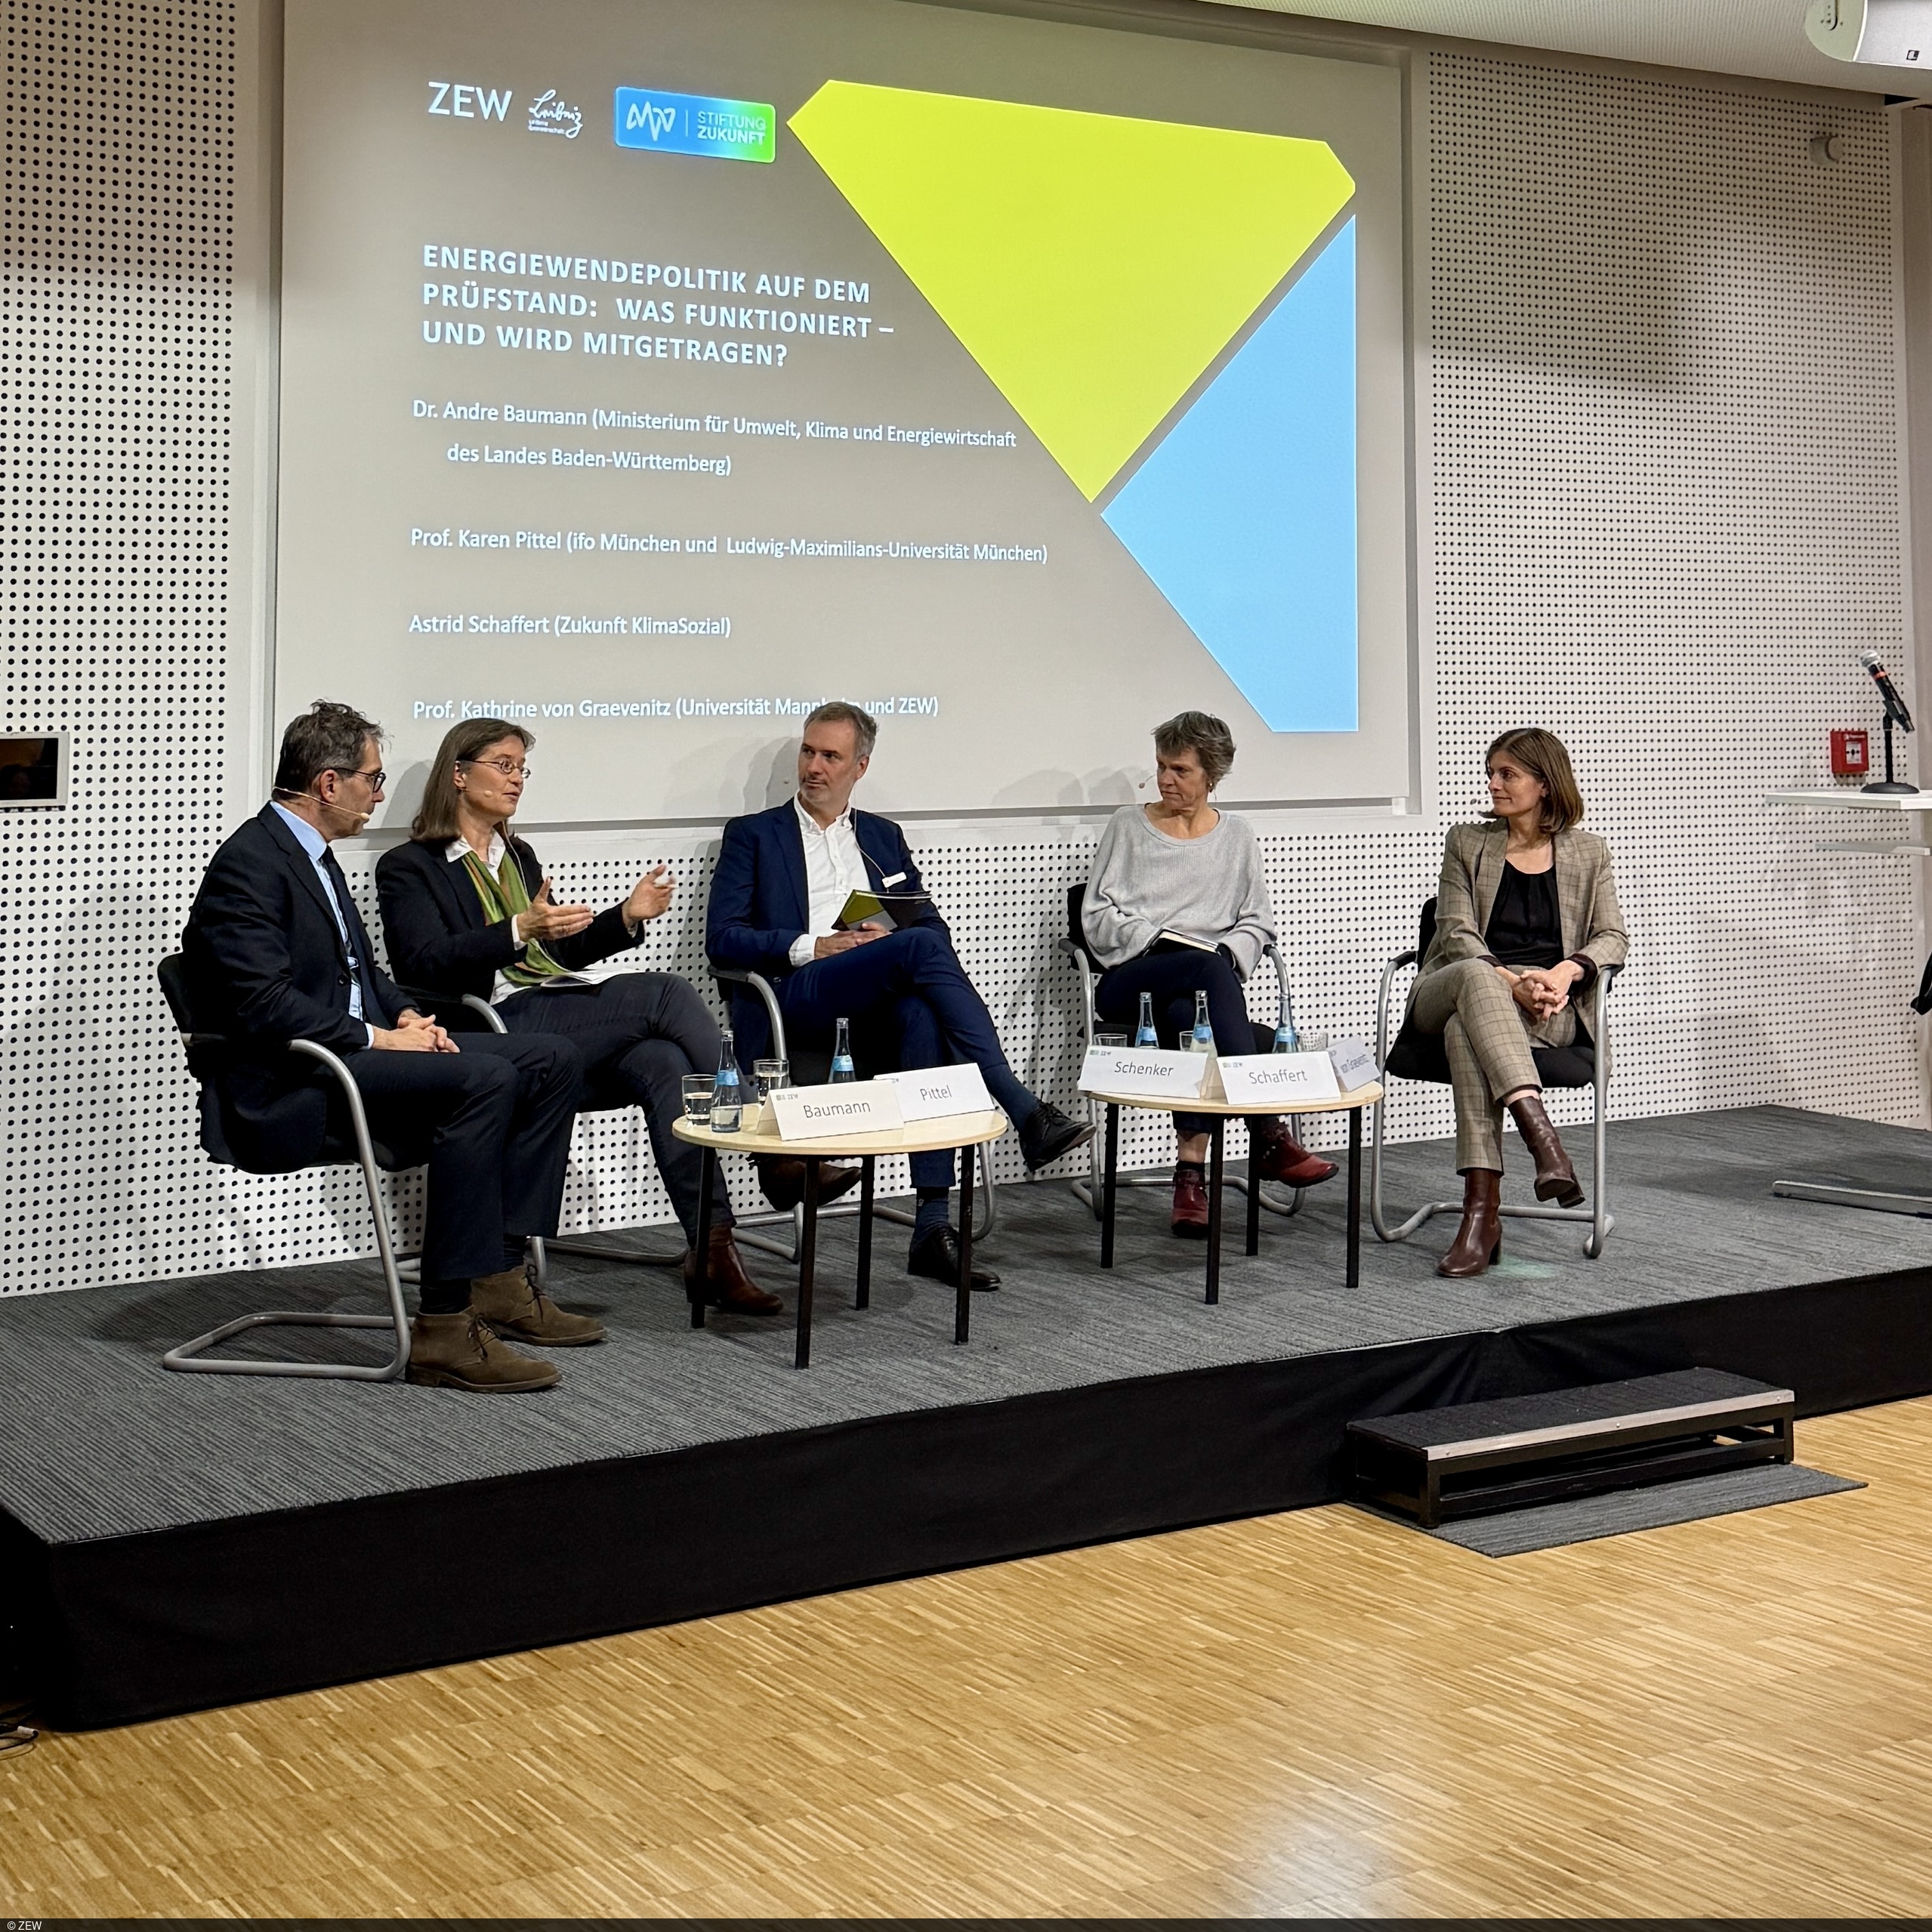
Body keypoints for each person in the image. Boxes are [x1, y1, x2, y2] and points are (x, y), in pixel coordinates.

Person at [182, 702, 597, 1393]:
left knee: (551, 1058)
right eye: (372, 780)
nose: (379, 795)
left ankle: (498, 1277)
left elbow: (360, 971)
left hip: (353, 1053)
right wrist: (382, 1036)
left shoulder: (314, 856)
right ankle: (444, 1325)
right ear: (328, 784)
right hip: (296, 1078)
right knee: (487, 1078)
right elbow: (264, 1006)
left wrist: (406, 1014)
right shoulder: (250, 864)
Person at [376, 717, 786, 1317]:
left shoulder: (517, 855)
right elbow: (423, 965)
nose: (517, 780)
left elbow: (552, 957)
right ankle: (771, 1152)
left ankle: (713, 1248)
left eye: (522, 769)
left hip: (550, 1012)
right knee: (667, 995)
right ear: (459, 775)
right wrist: (517, 929)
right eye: (504, 766)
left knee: (663, 1061)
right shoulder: (410, 866)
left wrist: (625, 917)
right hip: (487, 1028)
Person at [706, 701, 1094, 1290]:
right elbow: (723, 939)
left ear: (859, 767)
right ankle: (1021, 1106)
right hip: (795, 995)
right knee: (917, 950)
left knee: (919, 1012)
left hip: (870, 1002)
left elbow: (930, 925)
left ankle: (931, 1228)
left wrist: (882, 937)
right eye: (808, 752)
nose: (813, 767)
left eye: (830, 756)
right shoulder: (755, 835)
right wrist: (816, 945)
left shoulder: (882, 837)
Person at [1082, 711, 1341, 1238]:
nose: (1165, 779)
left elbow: (1257, 922)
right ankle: (1267, 1133)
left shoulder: (1237, 836)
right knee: (1206, 972)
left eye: (1180, 770)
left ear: (1212, 774)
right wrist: (1156, 938)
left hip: (1199, 994)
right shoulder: (1127, 826)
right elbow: (1096, 915)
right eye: (1161, 767)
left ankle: (1190, 1178)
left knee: (1191, 1017)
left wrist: (1225, 951)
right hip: (1132, 982)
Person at [1404, 727, 1627, 1278]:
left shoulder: (1588, 851)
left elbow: (1612, 937)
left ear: (1545, 784)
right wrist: (1511, 981)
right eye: (1492, 773)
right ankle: (1542, 1141)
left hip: (1546, 1009)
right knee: (1475, 981)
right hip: (1451, 987)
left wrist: (1564, 973)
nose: (1493, 784)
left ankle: (1482, 1215)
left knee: (1466, 1032)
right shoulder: (1468, 842)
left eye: (1508, 774)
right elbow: (1456, 933)